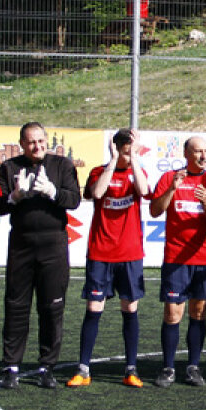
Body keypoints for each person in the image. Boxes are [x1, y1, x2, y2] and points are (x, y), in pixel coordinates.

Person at [0, 122, 81, 389]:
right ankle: (11, 366)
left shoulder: (62, 165)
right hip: (21, 245)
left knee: (52, 307)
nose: (37, 146)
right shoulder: (9, 168)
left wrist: (52, 191)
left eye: (41, 141)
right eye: (31, 142)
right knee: (16, 306)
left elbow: (74, 200)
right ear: (21, 143)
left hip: (53, 245)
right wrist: (14, 197)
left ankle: (47, 366)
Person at [68, 128, 149, 389]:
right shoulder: (98, 172)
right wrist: (113, 162)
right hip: (101, 252)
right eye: (125, 148)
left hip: (130, 254)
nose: (129, 152)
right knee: (94, 308)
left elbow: (144, 190)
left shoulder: (138, 171)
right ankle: (83, 369)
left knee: (130, 308)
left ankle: (131, 369)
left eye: (132, 148)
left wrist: (133, 159)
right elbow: (98, 193)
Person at [149, 136, 206, 387]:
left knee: (198, 312)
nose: (203, 155)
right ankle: (168, 367)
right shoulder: (171, 178)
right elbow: (155, 211)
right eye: (198, 151)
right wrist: (172, 189)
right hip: (176, 258)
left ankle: (193, 367)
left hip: (205, 258)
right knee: (172, 313)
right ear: (186, 153)